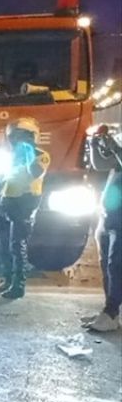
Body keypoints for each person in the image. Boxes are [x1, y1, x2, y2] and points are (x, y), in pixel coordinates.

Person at [0, 117, 49, 300]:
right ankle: (7, 280)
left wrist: (27, 154)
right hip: (7, 199)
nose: (16, 140)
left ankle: (18, 285)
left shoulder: (40, 155)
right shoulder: (10, 156)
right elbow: (2, 179)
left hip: (26, 200)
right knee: (4, 243)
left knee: (17, 244)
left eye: (21, 136)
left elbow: (35, 173)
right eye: (14, 137)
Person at [83, 124, 122, 332]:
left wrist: (116, 148)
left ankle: (112, 311)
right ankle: (109, 312)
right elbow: (101, 165)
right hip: (109, 217)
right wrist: (94, 142)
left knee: (117, 264)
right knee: (107, 264)